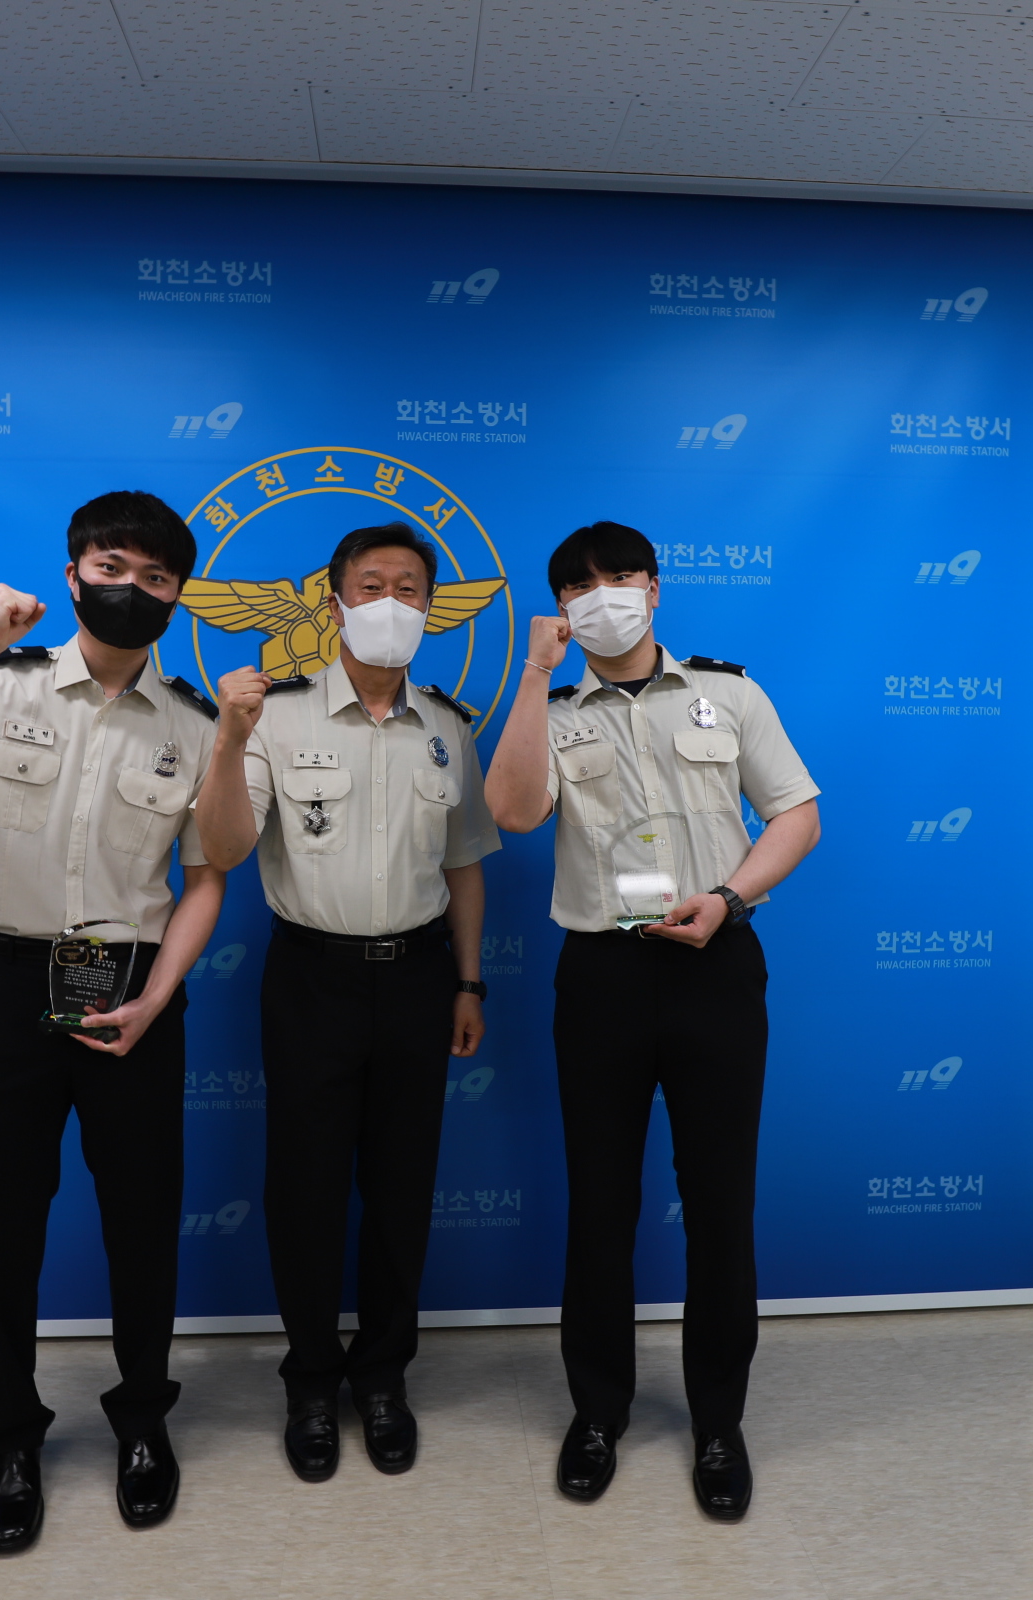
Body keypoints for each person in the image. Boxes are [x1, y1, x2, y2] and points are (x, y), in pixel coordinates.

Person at [0, 490, 224, 1552]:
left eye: (156, 577)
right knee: (3, 1223)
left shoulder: (196, 723)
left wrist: (157, 995)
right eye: (112, 567)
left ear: (177, 596)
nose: (132, 589)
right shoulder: (5, 682)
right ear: (73, 575)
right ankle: (11, 1440)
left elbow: (207, 877)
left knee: (142, 1220)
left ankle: (144, 1421)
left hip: (131, 988)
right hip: (7, 986)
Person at [481, 519, 821, 1522]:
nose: (604, 595)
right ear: (561, 604)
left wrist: (732, 897)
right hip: (603, 973)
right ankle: (598, 1412)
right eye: (580, 585)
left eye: (621, 576)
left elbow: (796, 813)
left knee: (720, 1201)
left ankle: (719, 1420)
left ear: (655, 587)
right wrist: (535, 676)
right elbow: (513, 812)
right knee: (600, 1204)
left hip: (716, 959)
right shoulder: (551, 706)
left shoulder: (729, 694)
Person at [194, 522, 497, 1483]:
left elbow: (465, 865)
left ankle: (383, 1377)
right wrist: (228, 737)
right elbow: (226, 850)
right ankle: (312, 1382)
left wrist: (468, 979)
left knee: (403, 1186)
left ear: (431, 610)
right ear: (333, 604)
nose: (391, 603)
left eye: (411, 588)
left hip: (417, 976)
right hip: (311, 977)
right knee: (307, 1188)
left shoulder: (447, 727)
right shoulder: (275, 716)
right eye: (372, 585)